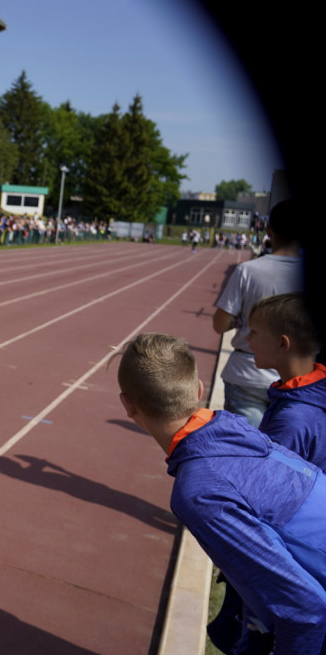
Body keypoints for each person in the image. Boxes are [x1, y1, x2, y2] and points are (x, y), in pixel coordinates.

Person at [116, 333, 326, 654]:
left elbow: (305, 609)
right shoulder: (236, 430)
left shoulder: (200, 491)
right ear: (199, 390)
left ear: (128, 405)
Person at [213, 200, 304, 427]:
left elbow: (219, 324)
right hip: (298, 376)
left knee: (247, 452)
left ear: (268, 230)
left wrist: (239, 321)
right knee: (287, 454)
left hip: (247, 372)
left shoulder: (248, 271)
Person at [248, 293, 326, 468]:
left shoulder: (291, 421)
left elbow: (270, 483)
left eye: (253, 332)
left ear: (283, 344)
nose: (247, 340)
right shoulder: (310, 390)